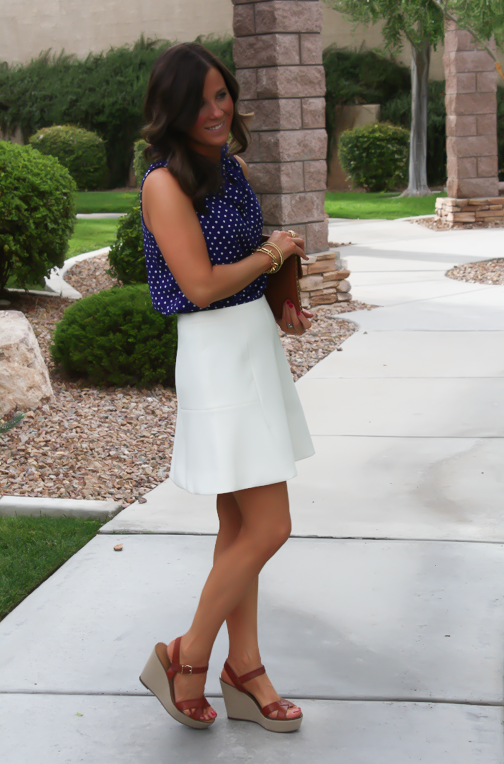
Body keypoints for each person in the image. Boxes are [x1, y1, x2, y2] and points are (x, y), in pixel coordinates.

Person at [138, 42, 315, 733]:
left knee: (240, 523)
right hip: (216, 358)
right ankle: (188, 652)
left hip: (253, 346)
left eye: (221, 95)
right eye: (199, 100)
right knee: (272, 525)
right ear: (171, 110)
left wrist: (281, 288)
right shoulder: (164, 183)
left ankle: (247, 669)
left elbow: (244, 265)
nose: (215, 110)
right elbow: (202, 284)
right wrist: (276, 251)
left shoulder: (231, 169)